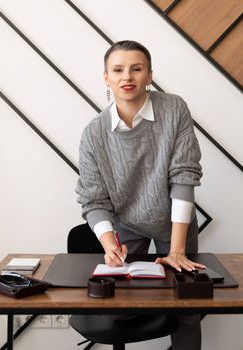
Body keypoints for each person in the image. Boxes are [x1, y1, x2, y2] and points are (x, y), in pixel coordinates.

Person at [75, 40, 204, 350]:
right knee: (120, 307)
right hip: (125, 223)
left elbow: (184, 176)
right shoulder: (94, 133)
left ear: (149, 74)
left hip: (173, 222)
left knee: (186, 307)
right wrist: (109, 245)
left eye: (136, 68)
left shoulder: (174, 109)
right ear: (106, 77)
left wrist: (176, 251)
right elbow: (93, 199)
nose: (127, 76)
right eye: (117, 70)